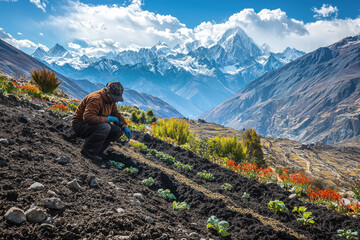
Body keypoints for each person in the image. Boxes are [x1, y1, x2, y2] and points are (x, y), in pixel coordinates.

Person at [71, 81, 131, 162]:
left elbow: (117, 114)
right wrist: (108, 119)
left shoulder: (111, 101)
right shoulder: (96, 99)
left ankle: (97, 152)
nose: (115, 101)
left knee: (117, 130)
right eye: (114, 98)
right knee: (105, 127)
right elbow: (88, 118)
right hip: (81, 125)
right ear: (108, 92)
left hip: (94, 125)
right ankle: (88, 151)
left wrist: (124, 126)